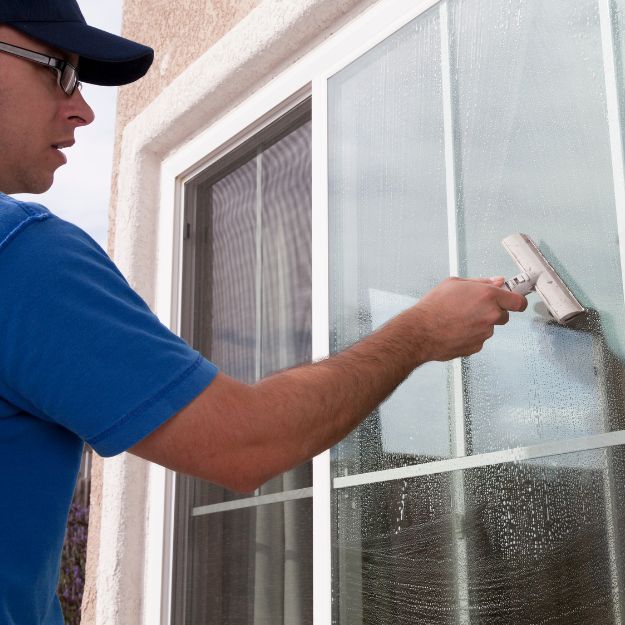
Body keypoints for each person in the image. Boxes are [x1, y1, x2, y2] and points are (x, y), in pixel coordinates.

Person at [0, 1, 527, 623]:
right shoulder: (19, 254)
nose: (83, 108)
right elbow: (246, 444)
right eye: (59, 70)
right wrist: (419, 332)